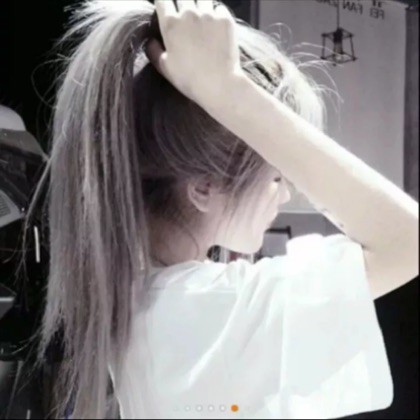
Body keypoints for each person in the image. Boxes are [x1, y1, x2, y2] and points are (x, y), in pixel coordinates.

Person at [23, 0, 418, 418]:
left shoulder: (148, 300)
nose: (285, 195)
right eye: (276, 177)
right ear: (204, 189)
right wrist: (228, 92)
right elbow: (407, 241)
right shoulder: (210, 310)